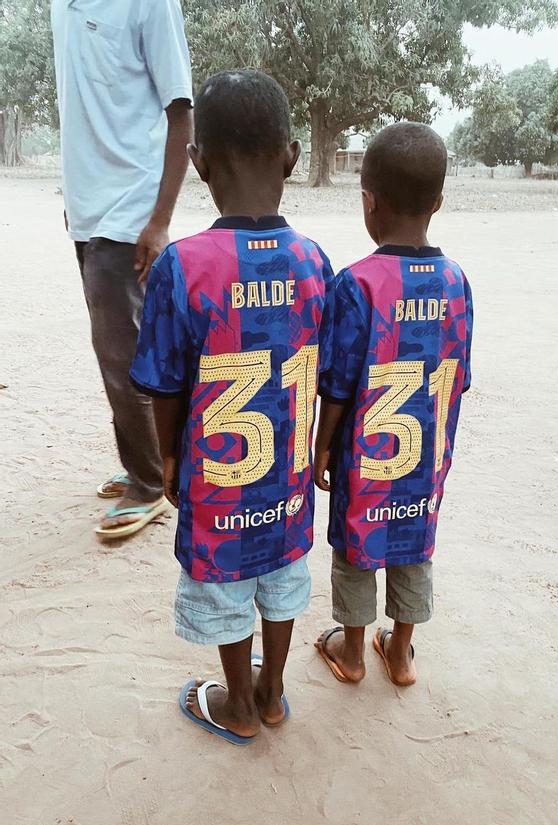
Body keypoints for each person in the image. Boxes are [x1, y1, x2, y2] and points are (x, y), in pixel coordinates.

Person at [130, 70, 335, 744]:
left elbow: (162, 384)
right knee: (281, 576)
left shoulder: (182, 266)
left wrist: (166, 455)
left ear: (198, 163)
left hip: (219, 480)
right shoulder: (313, 261)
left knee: (225, 585)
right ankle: (274, 690)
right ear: (292, 157)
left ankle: (239, 703)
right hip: (287, 479)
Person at [314, 123, 473, 687]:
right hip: (426, 454)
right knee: (415, 540)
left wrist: (323, 447)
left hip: (368, 456)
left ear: (368, 203)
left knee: (357, 543)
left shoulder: (356, 284)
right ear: (437, 202)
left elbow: (335, 383)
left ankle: (353, 651)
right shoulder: (456, 282)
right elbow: (460, 379)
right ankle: (401, 652)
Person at [51, 0, 193, 539]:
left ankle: (150, 482)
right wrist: (75, 196)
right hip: (87, 211)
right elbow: (82, 108)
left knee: (121, 350)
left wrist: (159, 220)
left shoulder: (150, 3)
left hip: (130, 212)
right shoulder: (59, 7)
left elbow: (181, 110)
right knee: (118, 348)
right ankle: (147, 459)